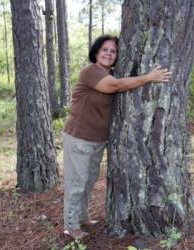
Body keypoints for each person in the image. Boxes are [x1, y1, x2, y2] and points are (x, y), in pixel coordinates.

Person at [62, 35, 171, 239]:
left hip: (97, 139)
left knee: (88, 181)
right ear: (96, 52)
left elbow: (119, 82)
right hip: (79, 138)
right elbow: (115, 86)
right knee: (76, 183)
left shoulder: (112, 73)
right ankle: (70, 225)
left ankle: (82, 217)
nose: (109, 54)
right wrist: (149, 77)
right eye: (105, 49)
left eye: (113, 51)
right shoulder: (90, 72)